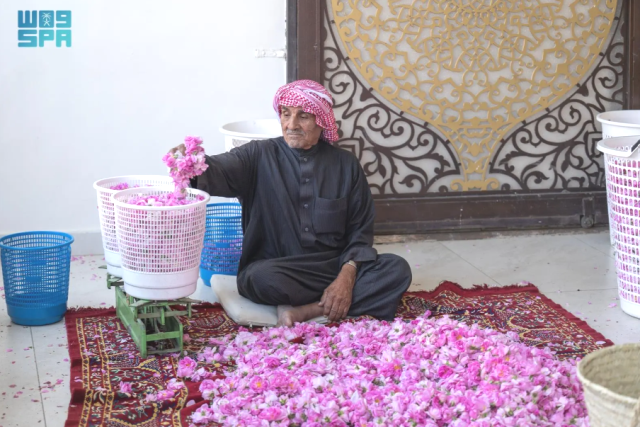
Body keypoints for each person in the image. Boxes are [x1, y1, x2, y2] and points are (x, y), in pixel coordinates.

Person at [171, 80, 412, 326]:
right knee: (259, 278)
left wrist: (346, 276)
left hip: (331, 266)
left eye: (303, 116)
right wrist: (191, 164)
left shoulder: (346, 165)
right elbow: (220, 169)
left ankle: (307, 310)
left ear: (321, 121)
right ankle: (331, 302)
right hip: (276, 269)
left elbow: (360, 231)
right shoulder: (258, 155)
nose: (292, 125)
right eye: (286, 114)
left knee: (396, 269)